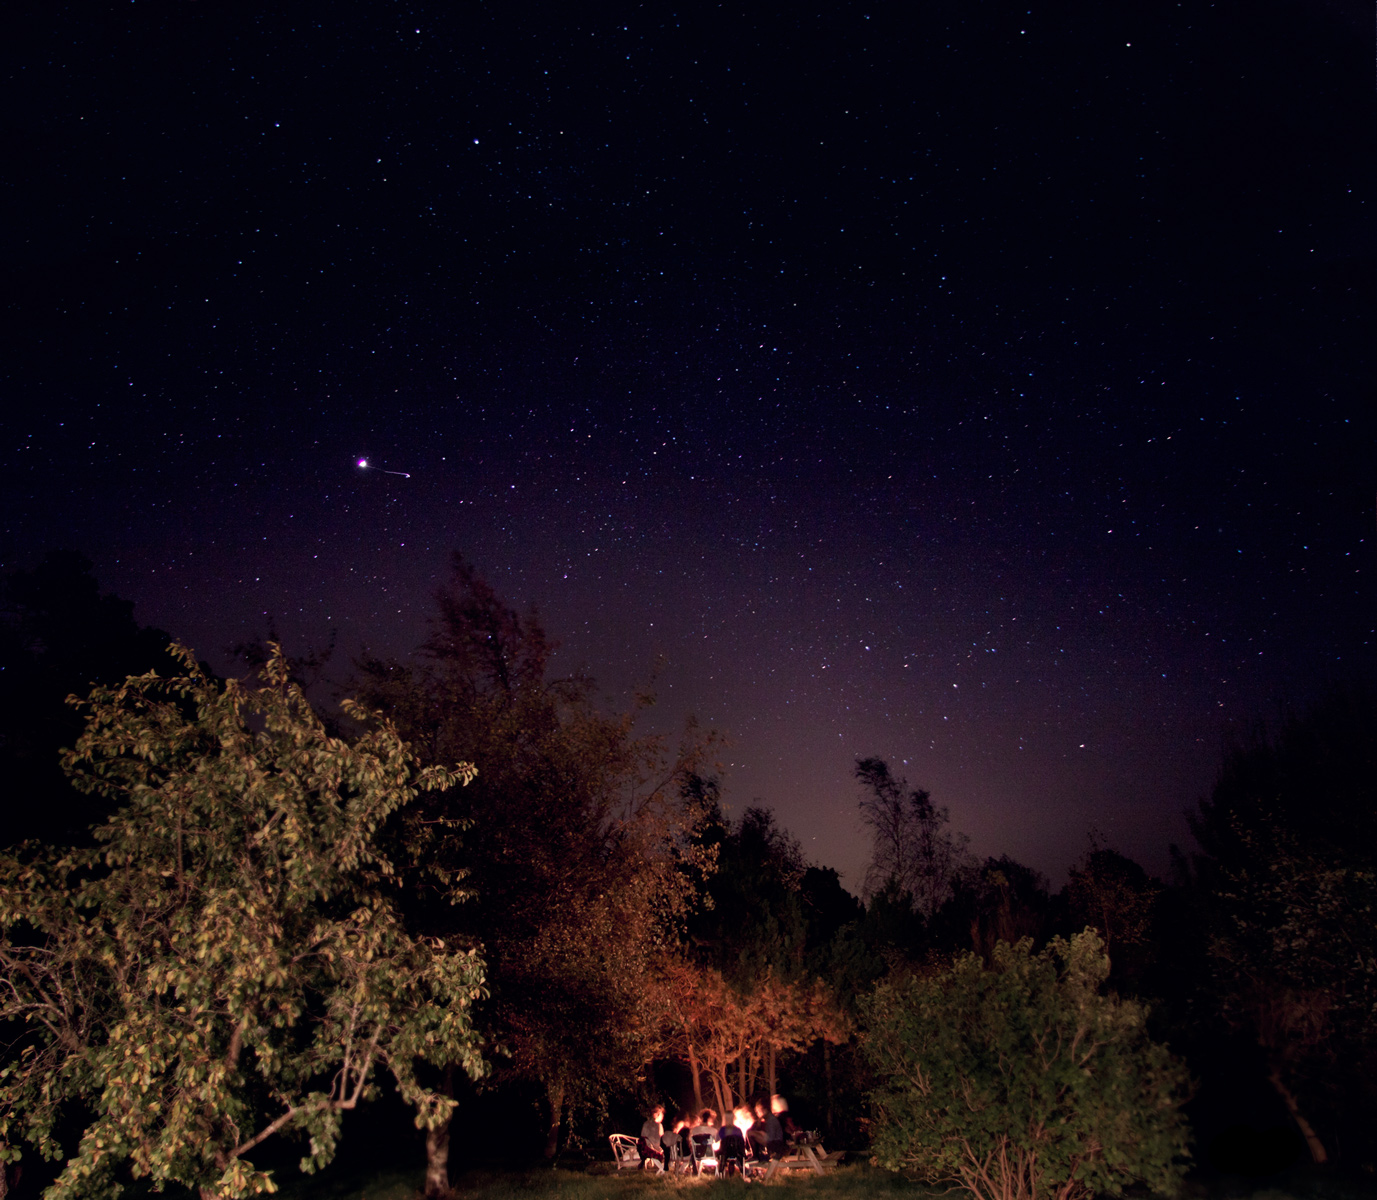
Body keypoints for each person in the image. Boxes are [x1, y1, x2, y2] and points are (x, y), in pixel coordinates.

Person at [717, 1108, 749, 1177]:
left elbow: (716, 1140)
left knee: (719, 1153)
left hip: (725, 1152)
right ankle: (742, 1168)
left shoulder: (722, 1130)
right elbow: (742, 1142)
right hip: (736, 1152)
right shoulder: (738, 1130)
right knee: (734, 1154)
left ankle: (721, 1168)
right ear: (733, 1118)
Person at [638, 1104, 665, 1170]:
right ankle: (662, 1169)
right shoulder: (657, 1125)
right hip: (649, 1148)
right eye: (661, 1115)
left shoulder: (647, 1123)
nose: (662, 1117)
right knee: (659, 1152)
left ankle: (661, 1167)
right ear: (657, 1115)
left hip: (646, 1148)